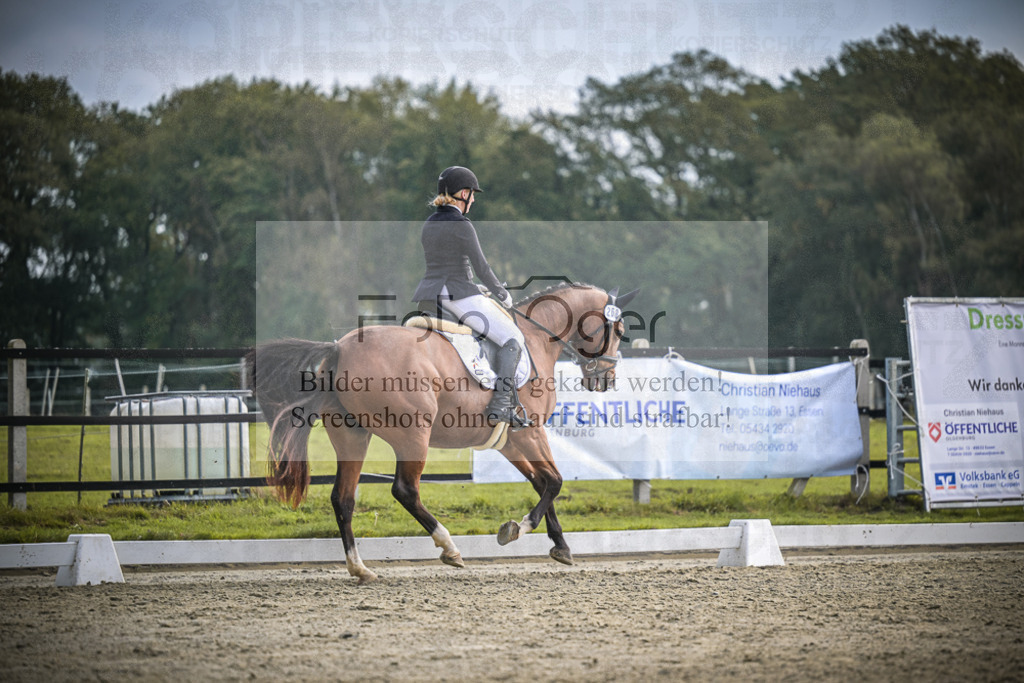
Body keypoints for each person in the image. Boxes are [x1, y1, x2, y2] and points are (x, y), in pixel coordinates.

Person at [411, 166, 531, 429]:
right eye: (472, 195)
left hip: (431, 294)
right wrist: (502, 293)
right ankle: (501, 405)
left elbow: (446, 264)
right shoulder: (462, 225)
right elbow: (481, 267)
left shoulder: (429, 223)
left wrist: (476, 288)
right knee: (513, 338)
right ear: (463, 193)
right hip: (457, 294)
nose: (474, 200)